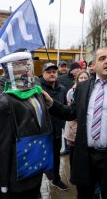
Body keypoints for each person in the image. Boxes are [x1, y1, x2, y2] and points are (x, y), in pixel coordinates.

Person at [44, 47, 107, 199]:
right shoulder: (83, 87)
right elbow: (72, 112)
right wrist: (52, 103)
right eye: (102, 59)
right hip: (85, 155)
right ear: (94, 65)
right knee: (84, 194)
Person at [0, 52, 52, 199]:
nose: (28, 69)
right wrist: (3, 180)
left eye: (29, 64)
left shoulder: (36, 87)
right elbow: (2, 144)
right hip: (18, 171)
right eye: (23, 65)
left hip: (36, 164)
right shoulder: (6, 100)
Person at [39, 62, 69, 191]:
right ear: (43, 73)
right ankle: (37, 187)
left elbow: (63, 108)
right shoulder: (38, 88)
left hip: (57, 131)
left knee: (56, 157)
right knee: (39, 159)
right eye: (48, 71)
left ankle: (56, 179)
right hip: (42, 132)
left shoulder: (62, 89)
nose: (52, 74)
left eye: (54, 72)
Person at [64, 70, 90, 171]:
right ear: (77, 79)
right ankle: (73, 172)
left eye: (85, 78)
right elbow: (72, 110)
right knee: (74, 152)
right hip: (73, 127)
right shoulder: (72, 91)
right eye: (81, 78)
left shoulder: (91, 90)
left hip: (85, 127)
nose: (83, 80)